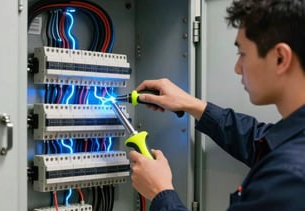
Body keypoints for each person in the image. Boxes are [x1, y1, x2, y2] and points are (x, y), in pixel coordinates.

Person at [129, 0, 305, 210]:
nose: (237, 68)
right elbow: (257, 140)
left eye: (242, 55)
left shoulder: (289, 178)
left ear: (280, 58)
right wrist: (192, 105)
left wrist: (160, 192)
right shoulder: (294, 144)